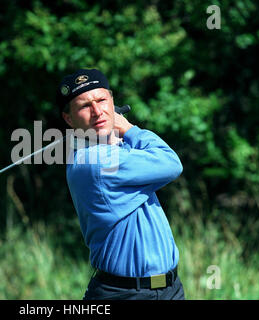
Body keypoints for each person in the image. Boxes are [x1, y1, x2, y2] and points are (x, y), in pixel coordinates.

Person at [57, 68, 185, 300]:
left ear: (112, 101)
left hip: (170, 289)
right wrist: (129, 127)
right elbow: (171, 162)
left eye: (102, 100)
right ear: (69, 119)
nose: (97, 111)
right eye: (85, 106)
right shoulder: (93, 162)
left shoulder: (114, 150)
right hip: (125, 294)